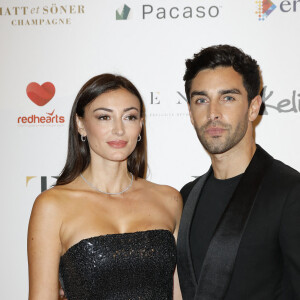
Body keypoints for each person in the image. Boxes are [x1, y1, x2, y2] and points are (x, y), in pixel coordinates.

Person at [27, 74, 182, 300]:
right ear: (81, 124)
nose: (119, 129)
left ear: (140, 125)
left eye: (129, 117)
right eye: (104, 117)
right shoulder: (52, 206)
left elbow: (178, 293)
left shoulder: (169, 199)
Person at [177, 45, 300, 299]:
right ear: (190, 112)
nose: (213, 113)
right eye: (201, 100)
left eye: (228, 98)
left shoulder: (290, 192)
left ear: (253, 107)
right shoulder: (187, 196)